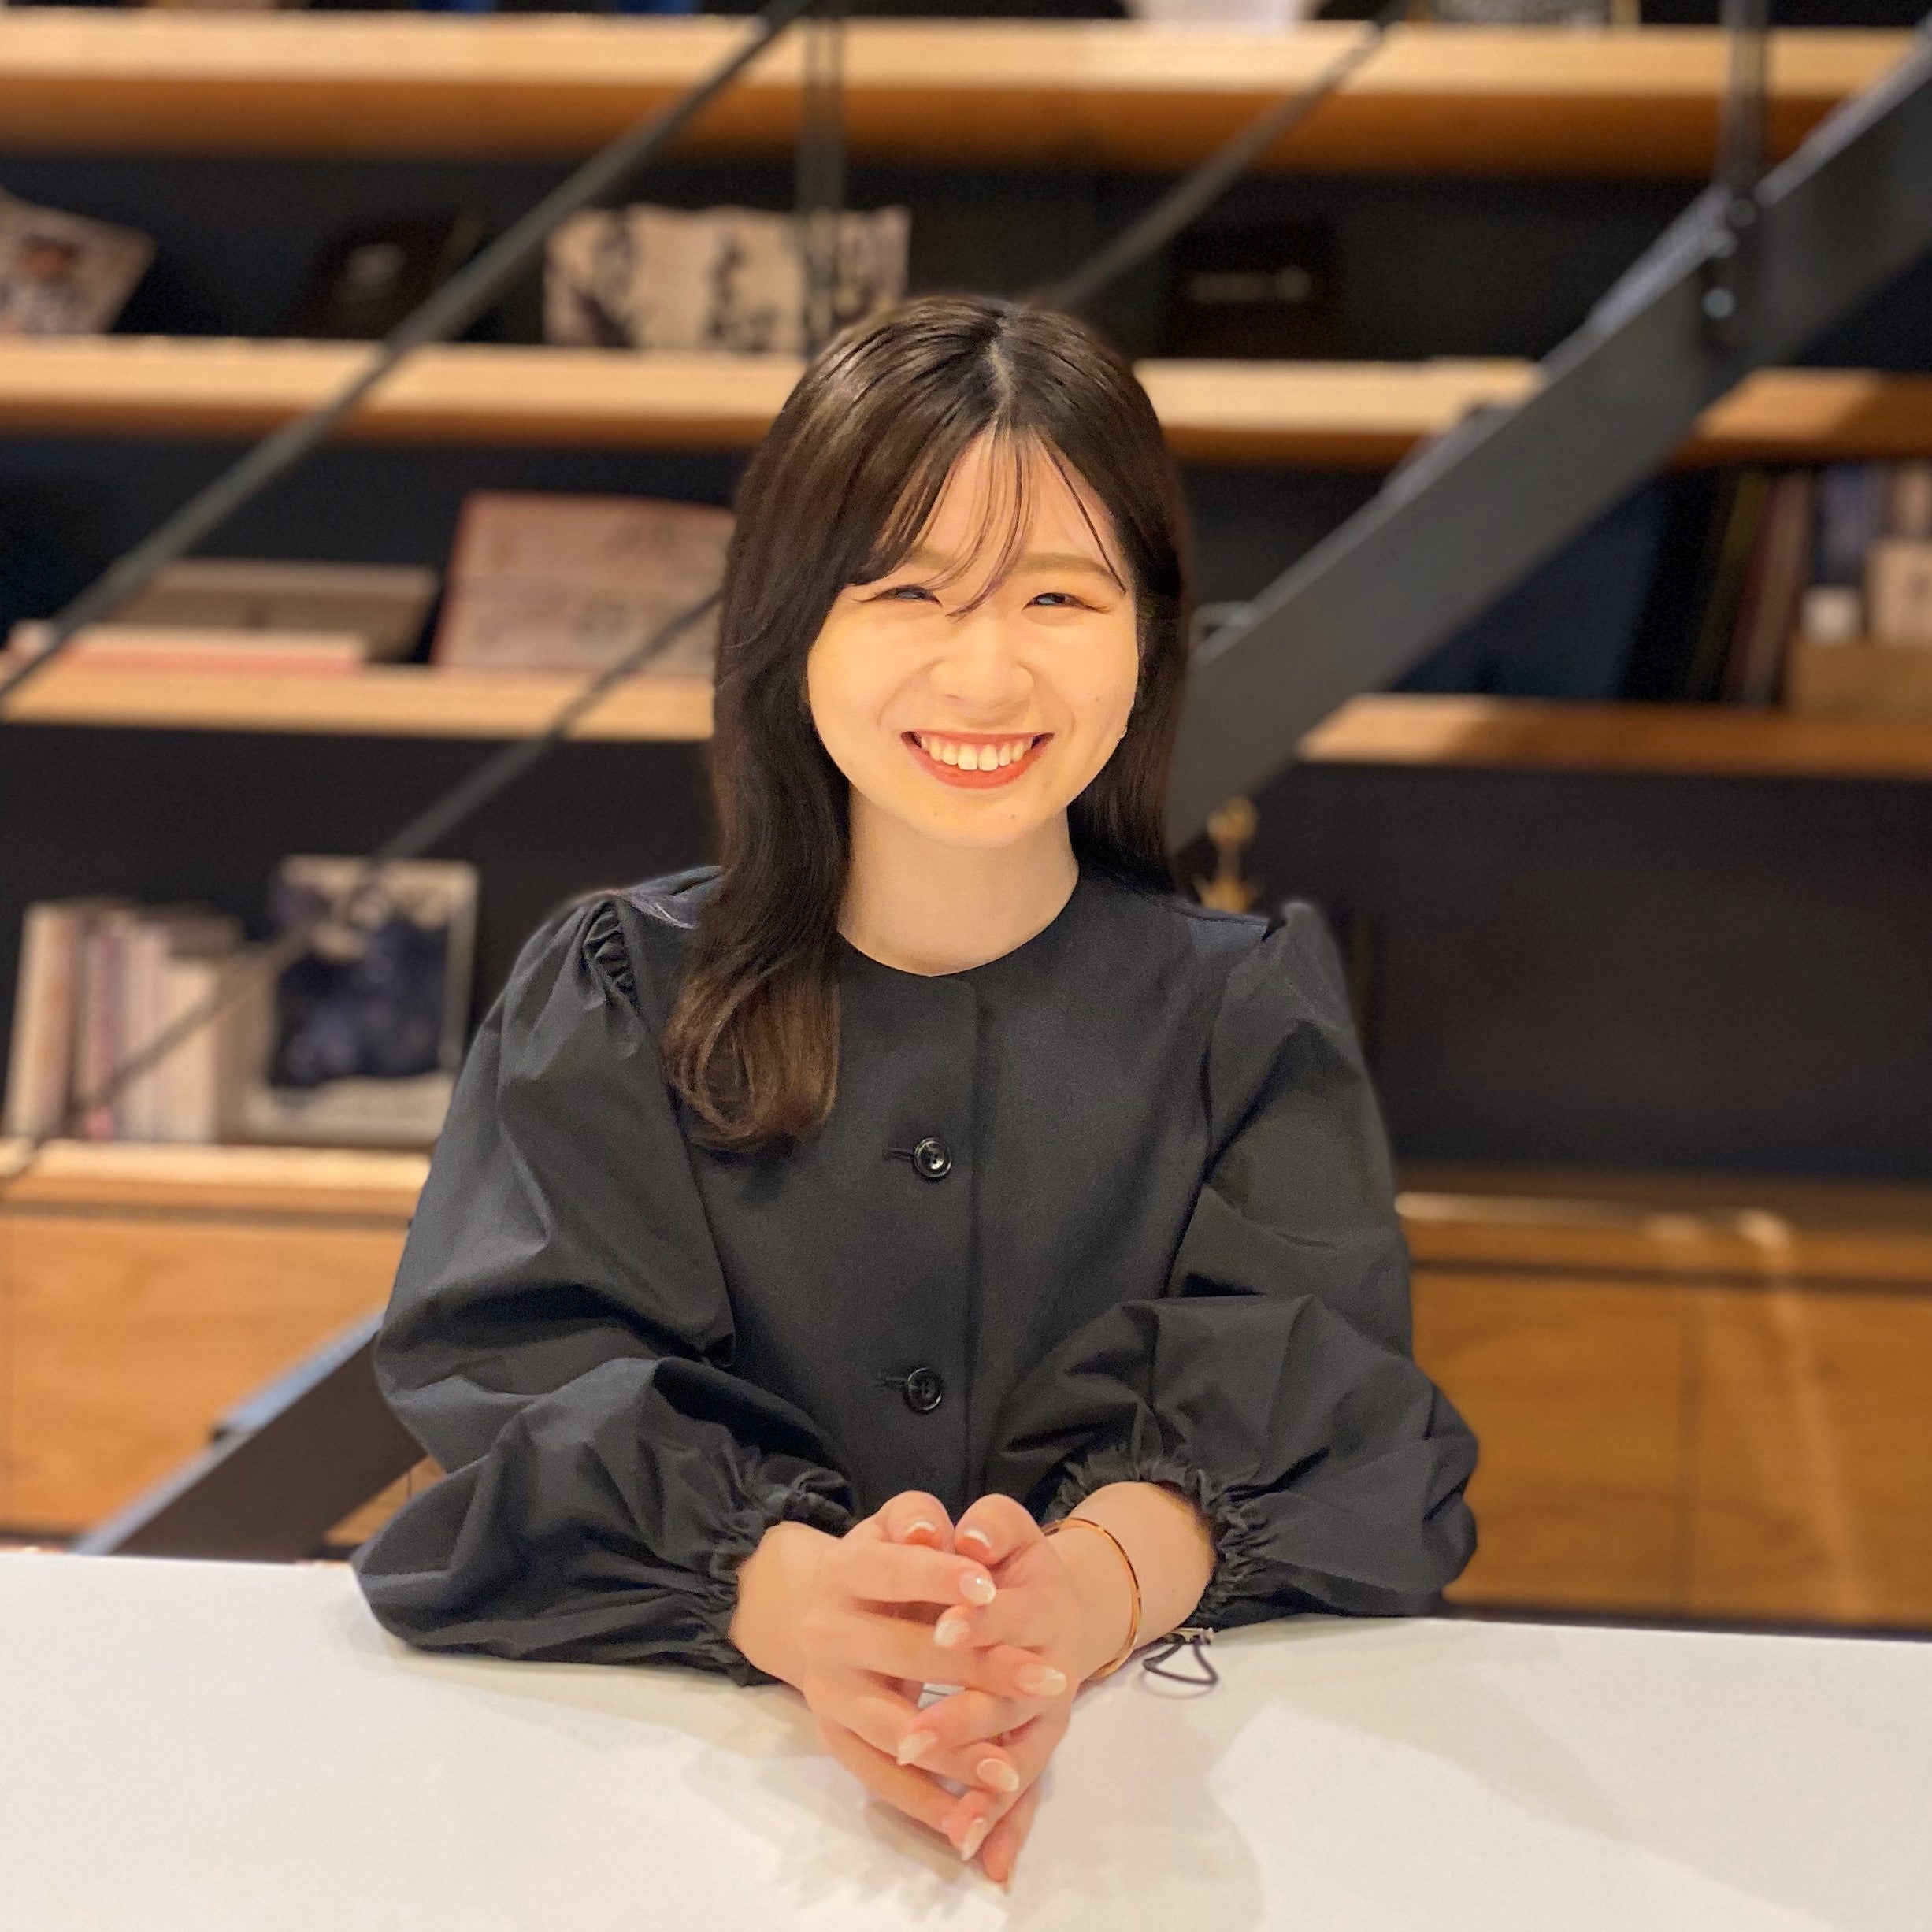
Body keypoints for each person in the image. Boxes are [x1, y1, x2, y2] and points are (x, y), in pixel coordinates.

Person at [354, 293, 1478, 1886]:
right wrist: (802, 1603)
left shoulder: (1246, 1013)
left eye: (1059, 595)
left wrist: (1073, 1602)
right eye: (906, 592)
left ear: (1151, 635)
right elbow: (517, 1400)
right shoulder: (613, 992)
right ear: (789, 623)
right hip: (677, 1828)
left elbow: (1327, 1418)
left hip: (1135, 1823)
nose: (987, 669)